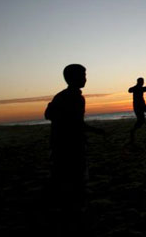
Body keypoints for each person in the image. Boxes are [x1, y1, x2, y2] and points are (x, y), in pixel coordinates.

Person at [44, 64, 105, 213]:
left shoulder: (63, 96)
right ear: (72, 78)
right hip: (69, 144)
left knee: (64, 175)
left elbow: (51, 115)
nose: (85, 79)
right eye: (83, 75)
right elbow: (74, 122)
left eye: (85, 75)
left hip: (63, 142)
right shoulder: (73, 97)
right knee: (74, 175)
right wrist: (93, 131)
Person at [128, 77, 146, 144]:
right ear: (139, 82)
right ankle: (132, 132)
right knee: (140, 121)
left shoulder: (140, 88)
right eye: (142, 82)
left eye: (143, 81)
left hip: (142, 105)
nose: (143, 83)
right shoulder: (136, 88)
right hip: (137, 107)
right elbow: (129, 90)